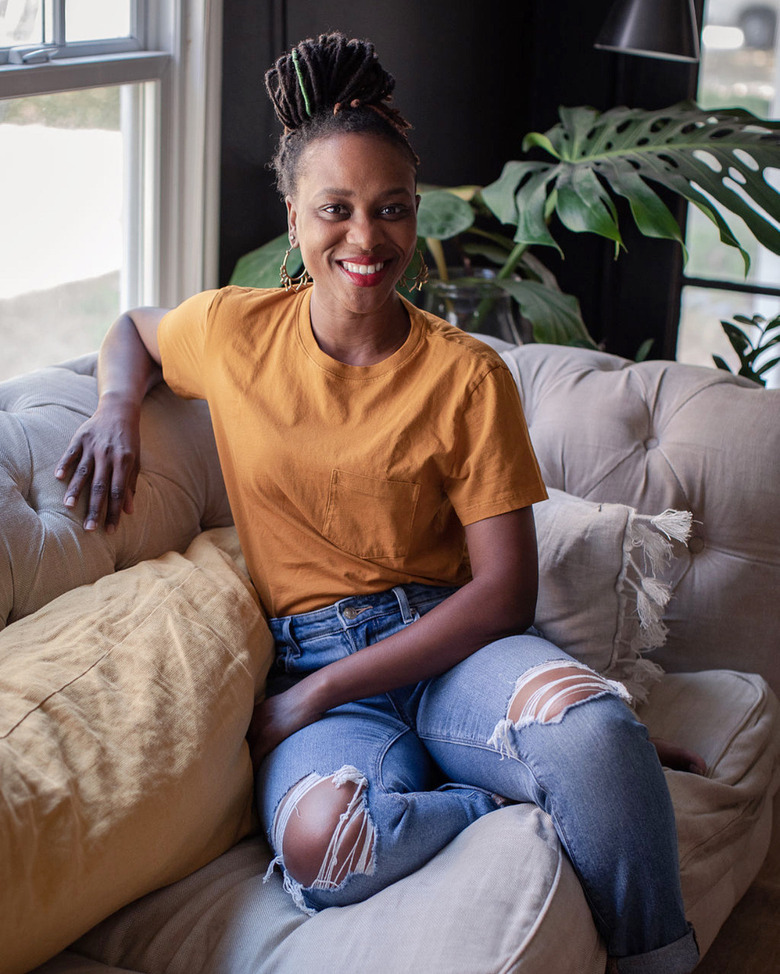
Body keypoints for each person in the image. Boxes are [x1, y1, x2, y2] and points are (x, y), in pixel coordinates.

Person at [55, 31, 704, 974]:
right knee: (329, 848)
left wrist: (315, 690)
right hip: (322, 668)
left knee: (598, 736)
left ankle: (656, 948)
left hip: (455, 647)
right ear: (295, 218)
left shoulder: (467, 376)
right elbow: (131, 331)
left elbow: (502, 596)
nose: (367, 239)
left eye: (391, 209)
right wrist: (117, 406)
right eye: (337, 210)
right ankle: (511, 794)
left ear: (415, 213)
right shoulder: (237, 334)